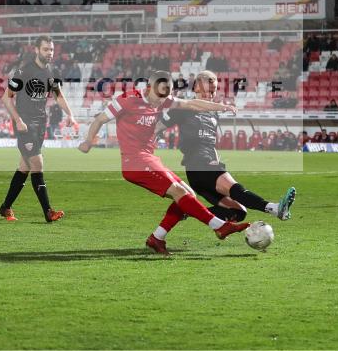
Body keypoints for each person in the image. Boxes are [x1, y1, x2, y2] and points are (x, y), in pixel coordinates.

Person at [78, 70, 250, 256]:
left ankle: (157, 238)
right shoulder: (127, 100)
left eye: (166, 95)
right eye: (160, 95)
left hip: (148, 158)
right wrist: (88, 141)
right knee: (180, 192)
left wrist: (220, 107)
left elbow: (191, 104)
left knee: (188, 195)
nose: (162, 100)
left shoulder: (164, 99)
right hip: (134, 161)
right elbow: (100, 119)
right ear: (149, 88)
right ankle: (220, 226)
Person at [157, 70, 296, 226]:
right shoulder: (184, 107)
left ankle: (188, 211)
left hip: (207, 166)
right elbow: (158, 126)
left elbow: (210, 143)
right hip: (198, 164)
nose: (210, 93)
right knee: (235, 189)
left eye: (213, 90)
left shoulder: (213, 115)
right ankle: (275, 208)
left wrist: (217, 161)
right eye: (206, 90)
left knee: (238, 211)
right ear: (195, 87)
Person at [0, 36, 74, 222]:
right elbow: (6, 98)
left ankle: (5, 207)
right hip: (25, 125)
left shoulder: (51, 72)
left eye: (52, 50)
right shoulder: (24, 71)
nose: (50, 53)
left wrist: (70, 114)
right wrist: (18, 120)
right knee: (37, 164)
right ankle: (48, 211)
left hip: (41, 124)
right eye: (46, 49)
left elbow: (58, 96)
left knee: (24, 168)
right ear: (37, 50)